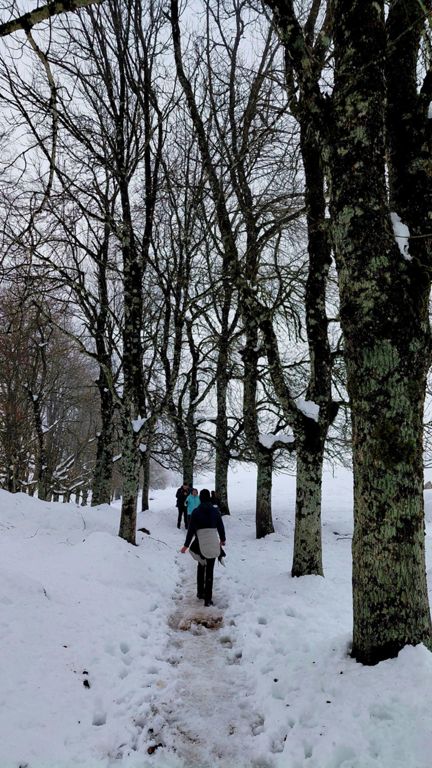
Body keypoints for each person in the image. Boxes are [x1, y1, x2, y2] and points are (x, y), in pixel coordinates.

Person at [180, 488, 226, 606]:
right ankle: (208, 599)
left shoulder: (196, 512)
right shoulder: (215, 511)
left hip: (200, 543)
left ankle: (200, 592)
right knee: (210, 570)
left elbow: (190, 531)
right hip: (212, 541)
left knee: (201, 566)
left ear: (200, 498)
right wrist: (222, 539)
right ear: (209, 498)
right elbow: (221, 526)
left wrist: (186, 545)